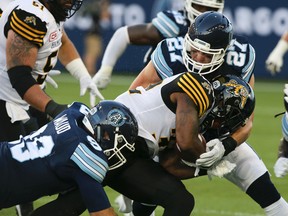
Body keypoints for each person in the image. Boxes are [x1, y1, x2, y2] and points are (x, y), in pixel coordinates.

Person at [115, 11, 288, 216]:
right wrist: (133, 169)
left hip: (218, 134)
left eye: (206, 54)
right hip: (168, 139)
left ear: (223, 52)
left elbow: (246, 122)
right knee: (145, 204)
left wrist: (226, 146)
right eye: (193, 50)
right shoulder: (171, 52)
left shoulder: (240, 59)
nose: (197, 57)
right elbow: (133, 102)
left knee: (265, 189)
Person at [28, 70, 221, 216]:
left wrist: (205, 169)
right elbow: (187, 144)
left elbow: (167, 165)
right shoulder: (196, 87)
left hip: (129, 148)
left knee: (180, 200)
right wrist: (216, 157)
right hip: (115, 138)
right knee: (72, 202)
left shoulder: (184, 110)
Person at [0, 0, 103, 215]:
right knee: (9, 176)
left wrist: (82, 74)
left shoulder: (47, 11)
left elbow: (60, 39)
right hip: (6, 101)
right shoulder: (31, 16)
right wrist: (55, 109)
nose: (70, 2)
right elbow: (19, 77)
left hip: (22, 99)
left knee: (49, 164)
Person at [0, 100, 141, 216]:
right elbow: (102, 214)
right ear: (105, 134)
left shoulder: (73, 114)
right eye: (121, 142)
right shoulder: (85, 154)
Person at [92, 0, 225, 89]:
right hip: (155, 86)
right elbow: (123, 34)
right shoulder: (175, 24)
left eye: (211, 8)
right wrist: (105, 69)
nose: (204, 12)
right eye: (200, 6)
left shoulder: (220, 31)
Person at [82, 0, 110, 76]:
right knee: (91, 54)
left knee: (95, 53)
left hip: (94, 33)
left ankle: (89, 71)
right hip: (93, 34)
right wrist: (104, 7)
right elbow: (105, 16)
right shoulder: (96, 6)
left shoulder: (94, 6)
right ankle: (89, 72)